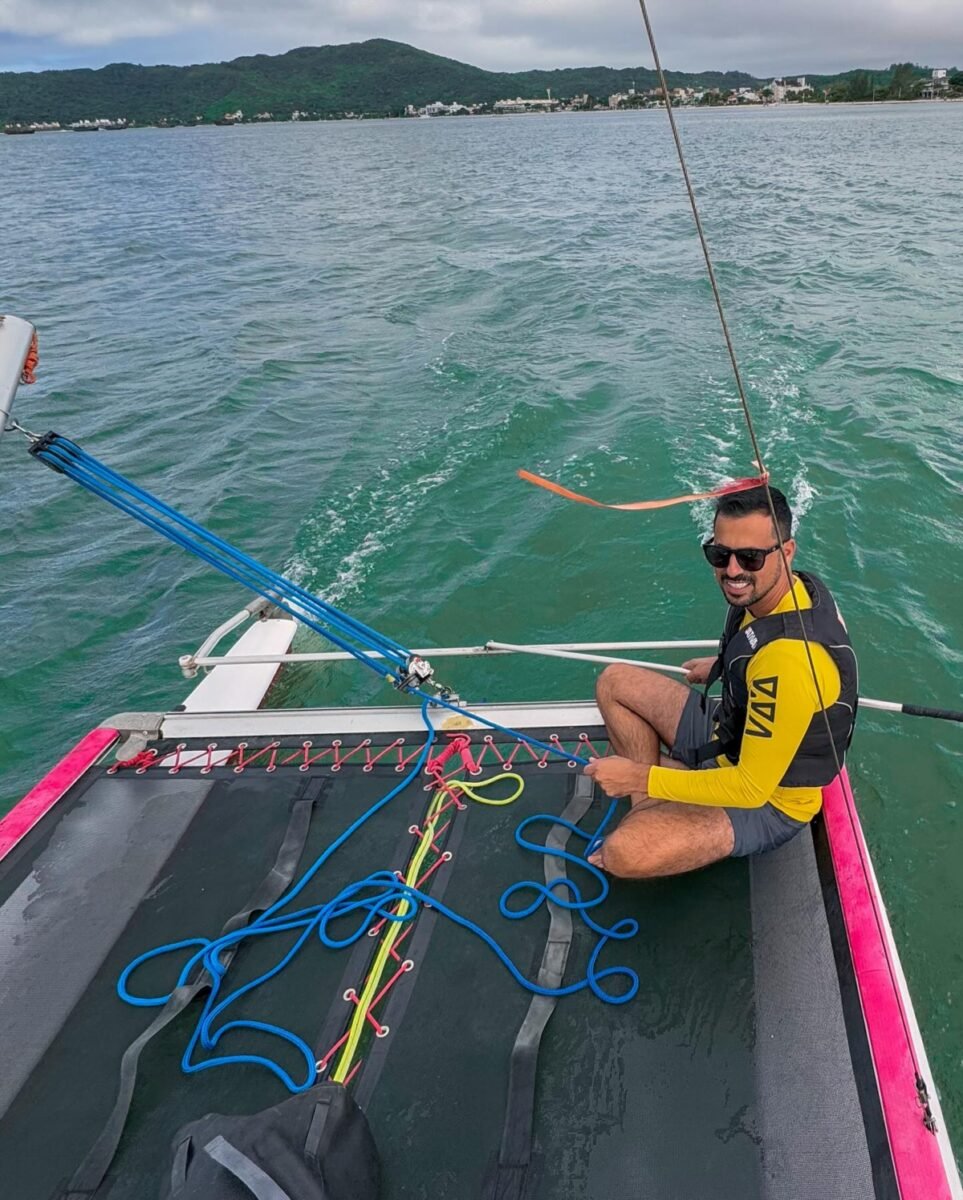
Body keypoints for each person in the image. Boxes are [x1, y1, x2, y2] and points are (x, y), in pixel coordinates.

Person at [585, 484, 857, 878]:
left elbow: (751, 787)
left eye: (750, 557)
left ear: (787, 552)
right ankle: (652, 804)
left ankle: (652, 796)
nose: (732, 570)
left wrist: (638, 776)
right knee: (613, 682)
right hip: (729, 731)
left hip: (768, 800)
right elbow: (760, 646)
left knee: (622, 854)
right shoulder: (784, 592)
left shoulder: (791, 663)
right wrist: (721, 664)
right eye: (720, 553)